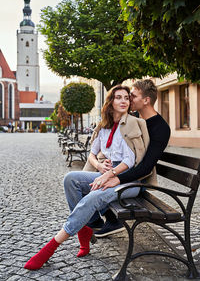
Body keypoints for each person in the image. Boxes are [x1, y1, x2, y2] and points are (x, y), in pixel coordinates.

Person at [24, 84, 150, 270]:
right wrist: (99, 165)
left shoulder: (133, 123)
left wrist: (109, 173)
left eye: (126, 98)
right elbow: (92, 153)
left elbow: (131, 160)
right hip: (107, 171)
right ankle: (86, 231)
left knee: (93, 196)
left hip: (128, 180)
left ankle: (51, 247)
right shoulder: (104, 125)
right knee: (70, 179)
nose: (123, 101)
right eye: (118, 97)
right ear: (110, 101)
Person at [93, 79, 171, 237]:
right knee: (82, 182)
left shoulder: (160, 128)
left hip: (138, 180)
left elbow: (145, 168)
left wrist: (117, 178)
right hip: (123, 171)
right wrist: (104, 162)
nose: (129, 99)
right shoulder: (132, 118)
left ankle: (110, 221)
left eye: (133, 96)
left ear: (146, 100)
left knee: (97, 188)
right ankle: (102, 221)